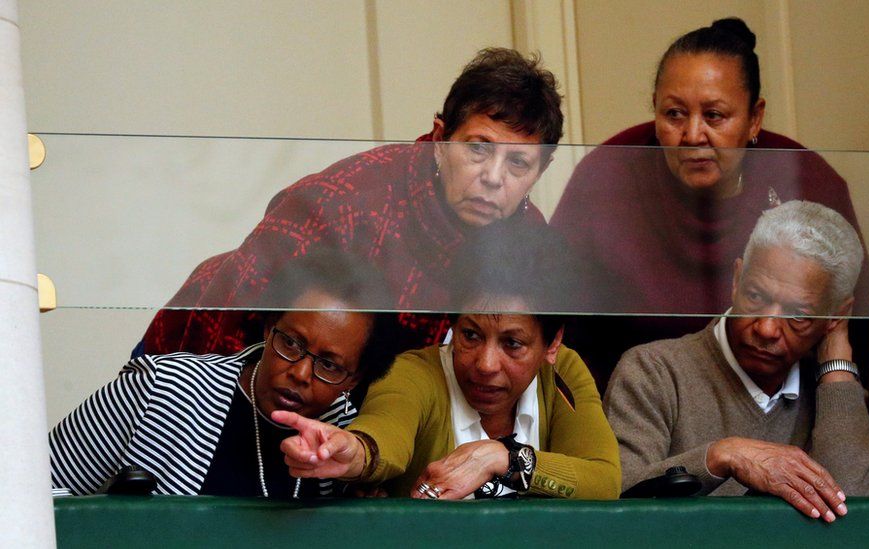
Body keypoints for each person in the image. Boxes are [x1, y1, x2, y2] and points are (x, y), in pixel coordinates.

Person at [141, 47, 564, 357]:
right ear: (438, 139)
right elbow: (239, 329)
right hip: (196, 356)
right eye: (478, 149)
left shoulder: (530, 238)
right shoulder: (345, 203)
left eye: (518, 163)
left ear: (539, 172)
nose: (493, 178)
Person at [550, 17, 869, 392]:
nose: (692, 134)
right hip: (638, 414)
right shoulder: (607, 176)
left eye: (714, 116)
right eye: (674, 114)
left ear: (755, 119)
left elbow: (855, 333)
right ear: (654, 111)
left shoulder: (805, 179)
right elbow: (561, 334)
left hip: (783, 415)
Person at [273, 226, 621, 499]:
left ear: (552, 343)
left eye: (512, 344)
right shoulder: (413, 372)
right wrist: (352, 452)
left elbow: (604, 481)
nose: (485, 364)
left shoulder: (562, 370)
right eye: (470, 335)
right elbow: (383, 434)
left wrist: (502, 458)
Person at [604, 201, 869, 522]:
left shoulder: (834, 398)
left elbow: (865, 524)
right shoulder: (653, 371)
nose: (767, 329)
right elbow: (616, 502)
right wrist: (721, 456)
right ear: (737, 279)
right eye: (755, 297)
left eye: (798, 316)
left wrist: (836, 369)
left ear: (836, 315)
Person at [49, 250, 398, 498]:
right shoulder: (164, 389)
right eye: (291, 343)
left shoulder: (348, 441)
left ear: (354, 378)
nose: (301, 372)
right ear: (268, 327)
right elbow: (32, 488)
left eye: (329, 365)